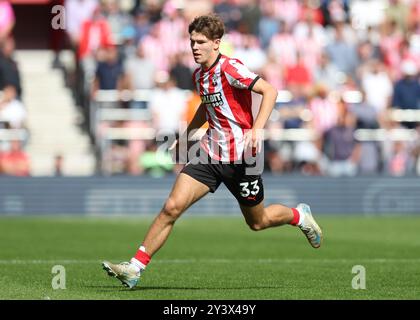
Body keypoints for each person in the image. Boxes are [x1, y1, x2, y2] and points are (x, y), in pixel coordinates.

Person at [102, 14, 323, 289]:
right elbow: (207, 108)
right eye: (192, 41)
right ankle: (134, 268)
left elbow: (270, 91)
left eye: (201, 42)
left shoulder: (230, 69)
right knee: (171, 207)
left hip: (244, 158)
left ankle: (299, 216)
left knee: (258, 221)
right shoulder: (199, 75)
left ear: (216, 43)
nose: (194, 47)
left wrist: (257, 129)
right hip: (209, 154)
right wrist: (185, 138)